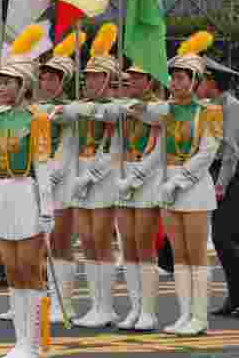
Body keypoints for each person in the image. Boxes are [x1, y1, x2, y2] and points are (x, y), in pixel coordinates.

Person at [0, 24, 52, 358]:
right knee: (12, 270)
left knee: (29, 269)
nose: (1, 88)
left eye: (8, 83)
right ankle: (21, 343)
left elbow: (43, 165)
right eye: (0, 82)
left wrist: (47, 210)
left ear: (23, 86)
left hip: (27, 193)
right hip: (1, 192)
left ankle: (34, 346)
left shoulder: (38, 119)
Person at [130, 32, 221, 335]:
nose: (177, 83)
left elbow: (208, 151)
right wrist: (139, 176)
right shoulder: (168, 111)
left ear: (195, 82)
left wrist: (181, 181)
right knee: (179, 255)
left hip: (193, 187)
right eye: (174, 78)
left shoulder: (210, 112)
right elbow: (157, 144)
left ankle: (200, 317)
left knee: (196, 253)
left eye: (183, 78)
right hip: (168, 183)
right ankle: (184, 315)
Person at [53, 24, 123, 328]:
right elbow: (64, 124)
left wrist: (91, 176)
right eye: (88, 76)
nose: (90, 80)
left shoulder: (117, 108)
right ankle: (95, 305)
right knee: (87, 241)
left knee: (101, 240)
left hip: (103, 178)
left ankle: (105, 306)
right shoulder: (80, 106)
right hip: (80, 177)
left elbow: (114, 150)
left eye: (95, 76)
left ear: (108, 79)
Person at [24, 33, 85, 324]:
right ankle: (41, 296)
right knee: (34, 242)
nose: (47, 83)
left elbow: (67, 144)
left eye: (53, 79)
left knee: (60, 242)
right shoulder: (34, 108)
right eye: (44, 78)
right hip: (35, 181)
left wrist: (50, 172)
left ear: (64, 82)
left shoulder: (70, 110)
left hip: (61, 182)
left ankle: (65, 303)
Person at [110, 65, 165, 331]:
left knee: (144, 247)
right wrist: (119, 176)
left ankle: (149, 311)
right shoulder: (126, 107)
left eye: (138, 77)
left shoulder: (159, 108)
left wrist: (137, 177)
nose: (131, 80)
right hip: (124, 178)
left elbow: (161, 149)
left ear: (150, 80)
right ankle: (134, 307)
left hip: (147, 179)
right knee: (128, 248)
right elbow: (117, 144)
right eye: (130, 77)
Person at [198, 63, 239, 316]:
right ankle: (234, 297)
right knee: (225, 239)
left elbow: (232, 151)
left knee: (224, 238)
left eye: (202, 80)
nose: (198, 85)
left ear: (213, 83)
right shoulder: (210, 106)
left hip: (232, 176)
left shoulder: (232, 106)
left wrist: (221, 184)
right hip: (215, 172)